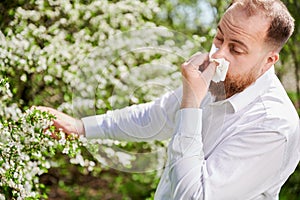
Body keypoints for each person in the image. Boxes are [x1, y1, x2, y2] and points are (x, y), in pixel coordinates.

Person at [38, 0, 300, 199]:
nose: (218, 55)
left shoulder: (274, 127)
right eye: (219, 37)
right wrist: (81, 127)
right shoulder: (216, 81)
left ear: (268, 61)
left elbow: (193, 195)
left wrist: (191, 105)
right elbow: (156, 117)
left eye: (236, 49)